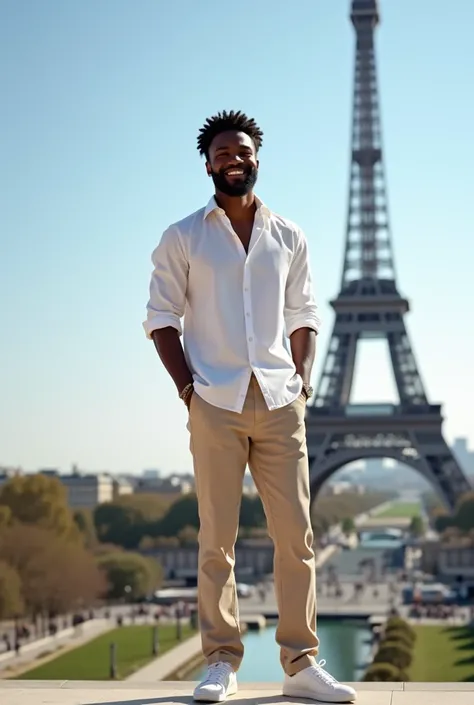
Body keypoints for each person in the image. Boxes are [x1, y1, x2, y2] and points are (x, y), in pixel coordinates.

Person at [143, 110, 357, 704]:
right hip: (215, 398)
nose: (234, 158)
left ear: (256, 157)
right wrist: (190, 391)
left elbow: (305, 314)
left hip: (281, 398)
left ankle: (301, 661)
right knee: (218, 539)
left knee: (297, 536)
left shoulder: (290, 235)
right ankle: (220, 660)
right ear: (207, 164)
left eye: (243, 150)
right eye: (222, 152)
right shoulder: (183, 236)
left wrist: (304, 379)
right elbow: (161, 318)